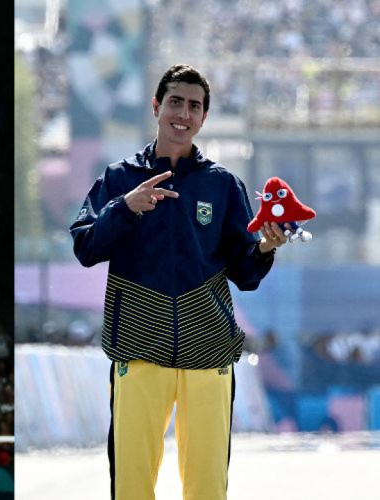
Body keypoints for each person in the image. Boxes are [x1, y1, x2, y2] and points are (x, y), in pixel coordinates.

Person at [70, 64, 289, 499]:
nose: (183, 114)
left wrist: (266, 248)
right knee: (132, 488)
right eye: (175, 102)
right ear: (156, 107)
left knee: (207, 489)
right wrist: (126, 206)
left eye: (194, 106)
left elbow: (244, 274)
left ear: (204, 117)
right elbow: (86, 247)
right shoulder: (119, 179)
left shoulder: (223, 185)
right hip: (138, 349)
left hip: (209, 353)